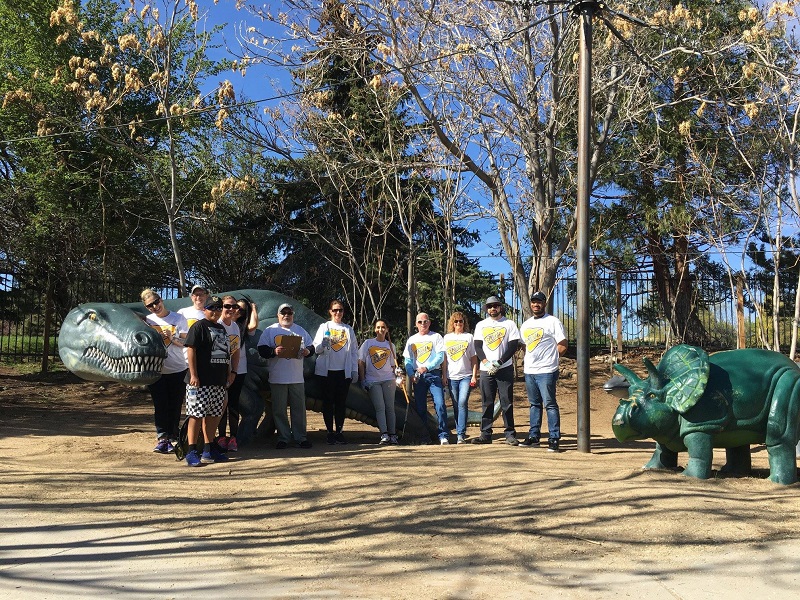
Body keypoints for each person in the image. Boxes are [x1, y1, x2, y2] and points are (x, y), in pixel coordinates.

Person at [257, 302, 314, 449]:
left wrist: (307, 351)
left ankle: (300, 437)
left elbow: (311, 346)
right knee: (279, 409)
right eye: (283, 313)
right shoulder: (270, 331)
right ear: (278, 315)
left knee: (299, 409)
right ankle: (283, 437)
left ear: (293, 315)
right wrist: (273, 352)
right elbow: (262, 349)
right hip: (277, 377)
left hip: (296, 377)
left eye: (289, 313)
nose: (286, 315)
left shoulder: (300, 330)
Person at [183, 295, 232, 466]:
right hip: (200, 380)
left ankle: (208, 448)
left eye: (219, 308)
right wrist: (194, 374)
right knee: (196, 415)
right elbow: (191, 350)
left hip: (218, 380)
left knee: (213, 415)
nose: (216, 311)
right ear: (205, 310)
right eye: (212, 308)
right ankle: (191, 451)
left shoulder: (221, 328)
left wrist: (228, 373)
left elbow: (226, 354)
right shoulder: (199, 326)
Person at [141, 288, 188, 453]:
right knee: (160, 404)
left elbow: (186, 342)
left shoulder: (178, 318)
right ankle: (162, 438)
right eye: (150, 305)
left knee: (175, 404)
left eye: (156, 302)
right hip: (157, 369)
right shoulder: (147, 321)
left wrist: (172, 337)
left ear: (161, 299)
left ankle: (173, 436)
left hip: (178, 367)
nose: (155, 307)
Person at [519, 291, 568, 452]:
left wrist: (552, 358)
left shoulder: (552, 321)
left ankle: (554, 438)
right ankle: (534, 436)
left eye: (539, 302)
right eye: (533, 302)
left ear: (544, 303)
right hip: (530, 370)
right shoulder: (526, 324)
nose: (535, 304)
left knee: (550, 404)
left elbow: (562, 344)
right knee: (534, 404)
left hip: (547, 370)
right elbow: (525, 346)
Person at [473, 295, 522, 445]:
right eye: (489, 306)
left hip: (504, 368)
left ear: (500, 307)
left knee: (506, 402)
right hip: (486, 369)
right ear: (486, 309)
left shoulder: (509, 324)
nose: (492, 308)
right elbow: (478, 346)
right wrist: (486, 362)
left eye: (495, 305)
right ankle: (485, 434)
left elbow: (513, 345)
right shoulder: (481, 325)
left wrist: (500, 362)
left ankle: (510, 434)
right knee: (487, 402)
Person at [313, 300, 359, 445]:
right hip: (326, 372)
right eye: (335, 310)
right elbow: (316, 349)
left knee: (341, 403)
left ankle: (339, 432)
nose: (338, 313)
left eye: (340, 310)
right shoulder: (324, 327)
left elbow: (353, 351)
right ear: (330, 311)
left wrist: (354, 370)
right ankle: (329, 432)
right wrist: (322, 345)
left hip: (342, 372)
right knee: (328, 403)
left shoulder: (348, 329)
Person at [403, 312, 448, 445]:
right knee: (421, 407)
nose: (423, 324)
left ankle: (443, 435)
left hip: (433, 374)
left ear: (429, 322)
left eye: (425, 321)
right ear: (416, 324)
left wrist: (426, 367)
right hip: (418, 378)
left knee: (440, 404)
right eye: (420, 322)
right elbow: (407, 360)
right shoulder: (411, 340)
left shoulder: (436, 337)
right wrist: (411, 374)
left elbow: (440, 356)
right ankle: (424, 437)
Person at [358, 320, 400, 445]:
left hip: (388, 379)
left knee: (390, 407)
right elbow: (361, 362)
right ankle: (384, 434)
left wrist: (398, 375)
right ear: (374, 329)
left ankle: (393, 434)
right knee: (380, 407)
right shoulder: (368, 343)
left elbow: (393, 365)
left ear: (387, 329)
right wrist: (363, 379)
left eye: (383, 327)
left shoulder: (391, 346)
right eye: (378, 327)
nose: (380, 330)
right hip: (372, 380)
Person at [442, 311, 478, 445]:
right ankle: (459, 432)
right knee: (456, 404)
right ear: (452, 323)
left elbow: (474, 358)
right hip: (451, 377)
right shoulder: (446, 338)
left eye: (461, 321)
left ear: (464, 323)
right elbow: (444, 360)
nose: (458, 324)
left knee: (462, 402)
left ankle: (461, 434)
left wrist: (474, 375)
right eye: (456, 321)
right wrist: (444, 376)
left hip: (466, 376)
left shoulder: (469, 337)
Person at [216, 295, 243, 453]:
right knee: (220, 407)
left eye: (234, 307)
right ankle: (220, 437)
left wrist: (234, 371)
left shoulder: (235, 326)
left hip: (233, 372)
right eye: (227, 306)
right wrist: (227, 373)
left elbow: (236, 351)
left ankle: (233, 438)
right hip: (219, 372)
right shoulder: (217, 325)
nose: (231, 310)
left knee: (233, 405)